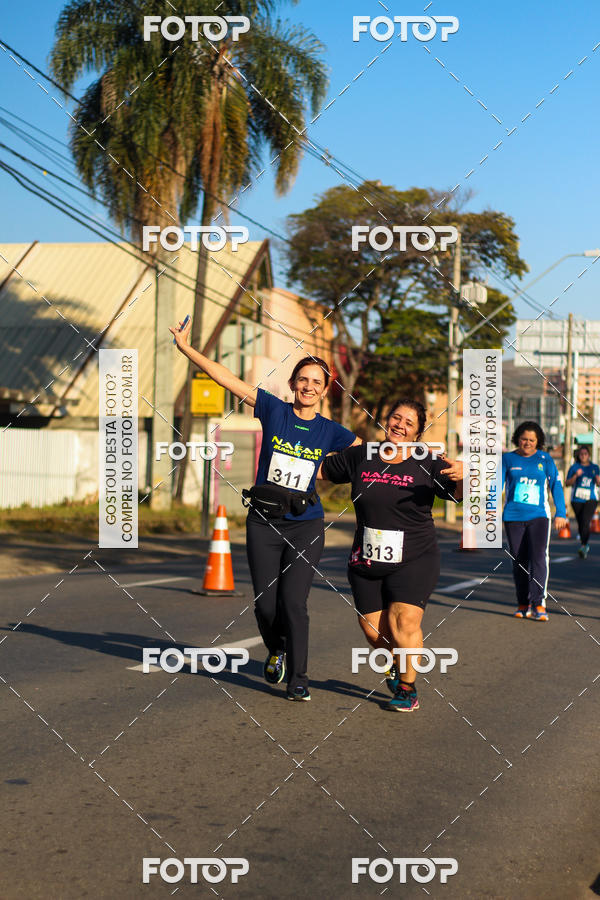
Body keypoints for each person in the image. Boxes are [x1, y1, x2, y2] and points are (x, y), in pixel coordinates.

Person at [171, 317, 358, 700]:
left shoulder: (332, 431)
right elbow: (227, 378)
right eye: (302, 380)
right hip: (264, 522)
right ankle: (277, 649)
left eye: (316, 383)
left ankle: (299, 679)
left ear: (325, 392)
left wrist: (332, 471)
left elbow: (366, 457)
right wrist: (188, 349)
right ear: (293, 384)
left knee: (294, 602)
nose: (308, 387)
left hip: (306, 523)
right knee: (265, 604)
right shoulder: (274, 410)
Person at [319, 399, 463, 713]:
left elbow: (457, 492)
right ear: (386, 419)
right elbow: (320, 470)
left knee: (404, 621)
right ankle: (399, 665)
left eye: (408, 423)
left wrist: (464, 476)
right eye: (396, 418)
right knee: (374, 633)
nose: (399, 425)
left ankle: (408, 688)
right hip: (367, 558)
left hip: (416, 557)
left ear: (417, 434)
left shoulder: (428, 461)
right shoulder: (362, 455)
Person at [502, 421, 567, 621]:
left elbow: (556, 485)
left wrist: (561, 513)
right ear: (517, 439)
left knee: (538, 557)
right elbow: (496, 484)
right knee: (519, 560)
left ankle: (539, 603)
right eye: (524, 439)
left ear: (538, 442)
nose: (527, 443)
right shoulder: (507, 458)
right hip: (513, 516)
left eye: (531, 440)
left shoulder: (545, 459)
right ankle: (523, 603)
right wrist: (490, 509)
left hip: (539, 516)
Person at [565, 445, 600, 558]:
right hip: (576, 499)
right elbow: (567, 483)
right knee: (581, 523)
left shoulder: (595, 467)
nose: (583, 456)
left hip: (591, 498)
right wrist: (575, 475)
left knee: (585, 520)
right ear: (578, 455)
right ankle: (584, 544)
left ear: (589, 455)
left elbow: (599, 483)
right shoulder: (574, 467)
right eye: (581, 454)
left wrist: (598, 480)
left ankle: (584, 545)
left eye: (585, 454)